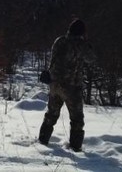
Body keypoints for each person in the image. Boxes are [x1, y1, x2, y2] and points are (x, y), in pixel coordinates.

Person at [38, 18, 96, 152]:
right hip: (72, 87)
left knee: (51, 115)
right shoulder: (81, 45)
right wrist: (86, 42)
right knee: (77, 119)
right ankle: (75, 148)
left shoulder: (59, 40)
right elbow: (91, 58)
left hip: (54, 84)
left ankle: (42, 141)